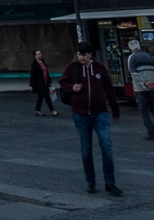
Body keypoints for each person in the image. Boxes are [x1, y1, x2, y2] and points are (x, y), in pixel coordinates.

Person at [60, 42, 123, 197]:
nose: (81, 57)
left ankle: (110, 182)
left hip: (100, 113)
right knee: (86, 148)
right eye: (79, 54)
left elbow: (109, 89)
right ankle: (91, 181)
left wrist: (115, 110)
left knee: (106, 145)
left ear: (90, 55)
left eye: (84, 55)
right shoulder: (72, 67)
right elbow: (63, 83)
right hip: (80, 113)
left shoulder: (100, 68)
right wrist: (71, 87)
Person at [127, 40, 154, 141]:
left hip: (140, 89)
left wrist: (144, 83)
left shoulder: (132, 58)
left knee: (144, 111)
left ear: (130, 48)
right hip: (153, 88)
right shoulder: (149, 57)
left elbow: (133, 74)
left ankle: (151, 133)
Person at [29, 50, 58, 117]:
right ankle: (53, 110)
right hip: (39, 84)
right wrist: (31, 85)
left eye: (40, 54)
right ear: (35, 56)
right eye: (38, 54)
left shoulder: (43, 63)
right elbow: (33, 75)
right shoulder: (35, 64)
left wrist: (49, 81)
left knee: (40, 97)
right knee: (47, 97)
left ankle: (37, 110)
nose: (40, 55)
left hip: (45, 82)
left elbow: (46, 73)